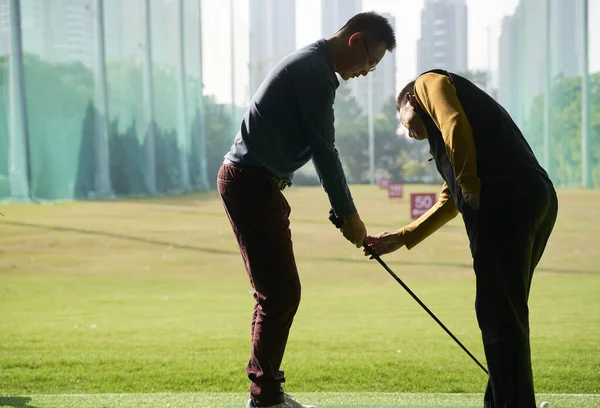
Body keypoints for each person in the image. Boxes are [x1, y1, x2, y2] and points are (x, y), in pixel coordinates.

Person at [217, 12, 396, 408]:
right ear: (356, 41)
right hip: (248, 182)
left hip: (257, 183)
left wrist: (346, 213)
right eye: (371, 63)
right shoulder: (314, 72)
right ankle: (265, 399)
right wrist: (349, 215)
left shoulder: (314, 66)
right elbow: (324, 150)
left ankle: (267, 393)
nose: (367, 73)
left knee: (277, 293)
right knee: (279, 293)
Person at [365, 69, 558, 408]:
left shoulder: (429, 83)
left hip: (505, 203)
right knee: (505, 313)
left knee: (499, 315)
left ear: (410, 100)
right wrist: (403, 236)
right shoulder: (456, 143)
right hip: (536, 199)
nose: (407, 132)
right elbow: (448, 200)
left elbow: (453, 123)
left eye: (404, 121)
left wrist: (470, 185)